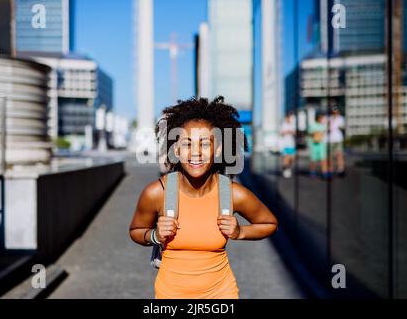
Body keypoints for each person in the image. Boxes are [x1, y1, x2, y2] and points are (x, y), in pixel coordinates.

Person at [129, 96, 278, 299]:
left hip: (221, 295)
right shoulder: (157, 193)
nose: (196, 153)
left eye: (205, 144)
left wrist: (240, 231)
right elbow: (136, 231)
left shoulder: (232, 193)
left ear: (218, 150)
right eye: (187, 144)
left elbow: (269, 223)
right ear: (176, 150)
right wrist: (155, 235)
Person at [308, 112, 329, 178]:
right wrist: (316, 133)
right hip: (314, 144)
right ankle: (312, 172)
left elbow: (325, 132)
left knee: (323, 159)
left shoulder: (323, 125)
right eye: (320, 118)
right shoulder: (312, 125)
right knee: (313, 159)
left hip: (321, 144)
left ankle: (324, 172)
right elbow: (310, 133)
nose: (321, 119)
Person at [327, 107, 345, 177]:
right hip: (331, 139)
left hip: (338, 139)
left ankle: (341, 169)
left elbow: (341, 127)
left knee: (339, 154)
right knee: (330, 155)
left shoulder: (341, 118)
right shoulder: (329, 118)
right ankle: (330, 170)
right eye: (334, 112)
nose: (335, 113)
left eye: (336, 112)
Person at [279, 112, 296, 178]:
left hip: (291, 144)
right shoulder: (283, 125)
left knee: (292, 158)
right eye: (288, 118)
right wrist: (287, 132)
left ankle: (287, 168)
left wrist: (290, 132)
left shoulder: (292, 125)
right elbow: (281, 133)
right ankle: (286, 170)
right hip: (285, 145)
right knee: (286, 158)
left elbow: (294, 133)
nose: (289, 119)